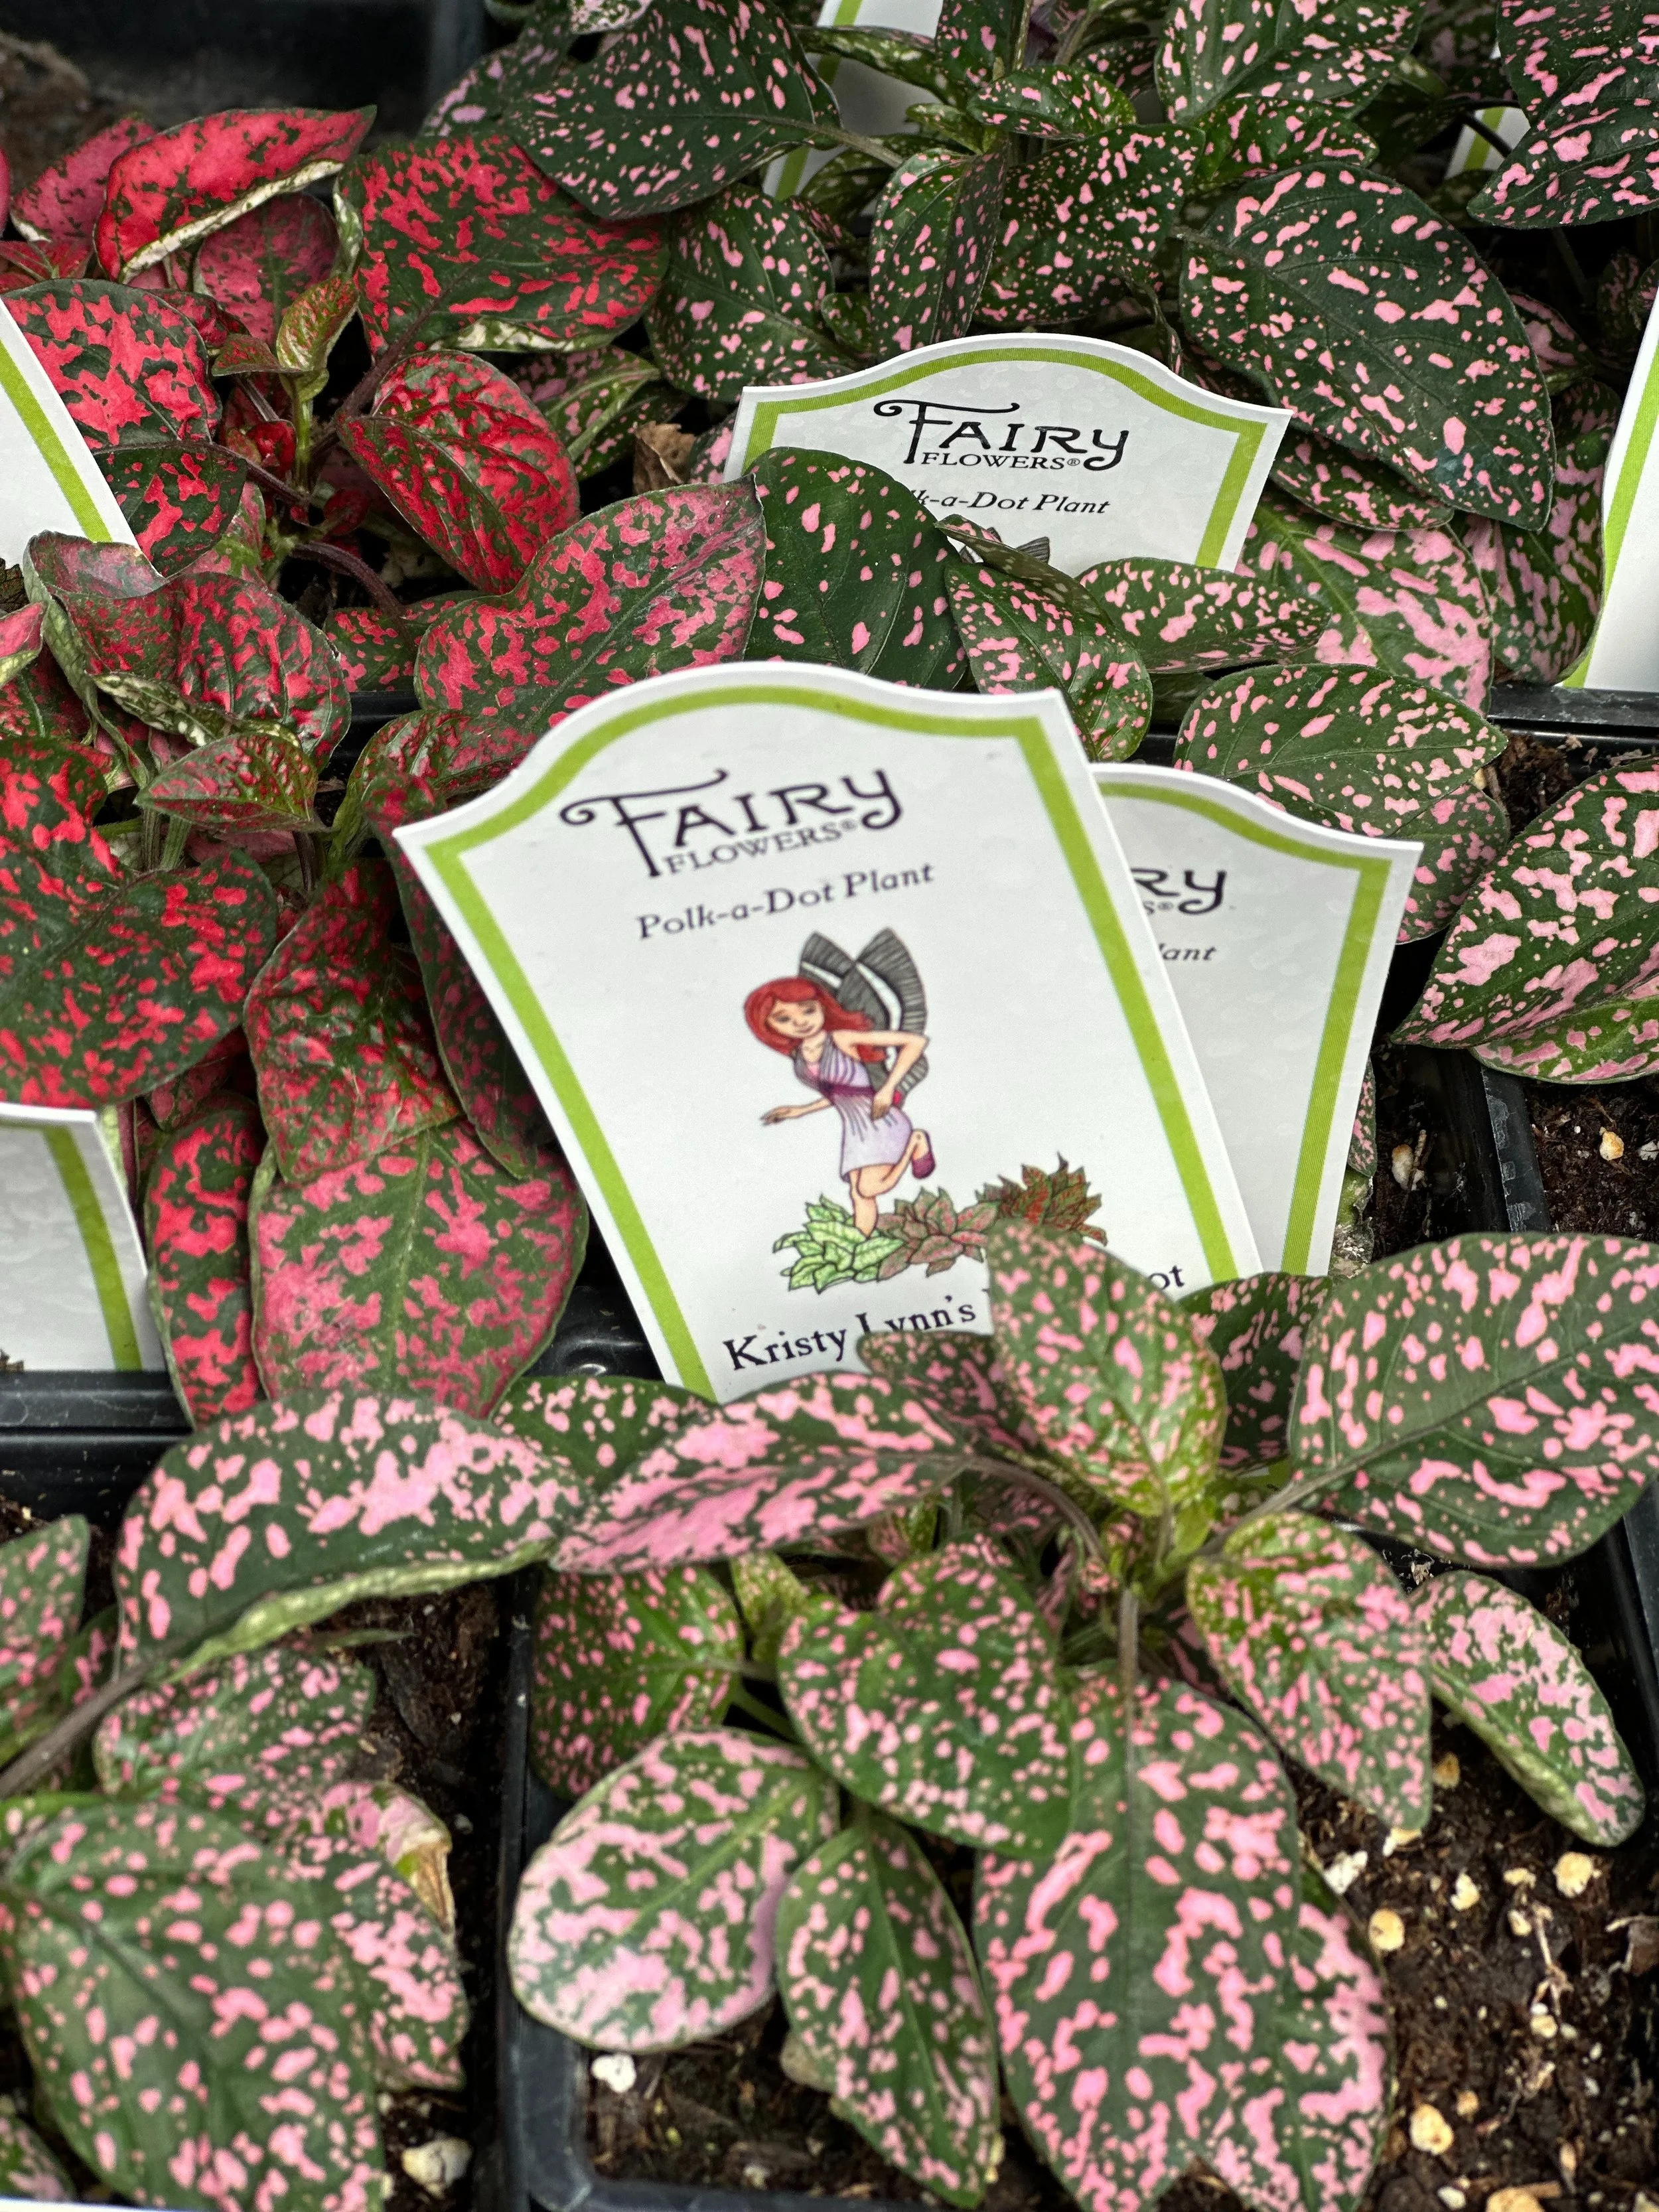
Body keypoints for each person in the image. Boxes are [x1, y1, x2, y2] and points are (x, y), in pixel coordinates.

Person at [745, 975, 934, 1236]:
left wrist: (888, 1089)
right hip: (855, 1128)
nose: (800, 1022)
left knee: (868, 1188)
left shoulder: (842, 1039)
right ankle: (862, 1244)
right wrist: (799, 1111)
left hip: (879, 1119)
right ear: (767, 1026)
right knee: (859, 1195)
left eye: (808, 1010)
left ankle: (915, 1141)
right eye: (784, 1019)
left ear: (823, 1006)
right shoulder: (800, 1054)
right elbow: (840, 1093)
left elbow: (916, 1042)